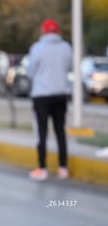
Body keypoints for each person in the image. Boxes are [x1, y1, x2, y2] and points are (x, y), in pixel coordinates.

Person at [27, 19, 72, 181]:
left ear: (43, 30)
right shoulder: (67, 47)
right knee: (60, 130)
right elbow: (70, 67)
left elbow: (30, 71)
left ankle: (42, 168)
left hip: (41, 95)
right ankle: (63, 168)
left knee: (42, 131)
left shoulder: (37, 48)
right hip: (61, 94)